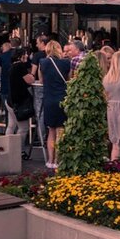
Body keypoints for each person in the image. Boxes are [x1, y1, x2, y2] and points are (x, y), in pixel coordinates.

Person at [40, 41, 72, 170]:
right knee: (60, 131)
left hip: (48, 99)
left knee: (51, 131)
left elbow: (41, 80)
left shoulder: (43, 62)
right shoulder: (66, 63)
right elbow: (69, 79)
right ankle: (58, 160)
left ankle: (50, 160)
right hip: (62, 99)